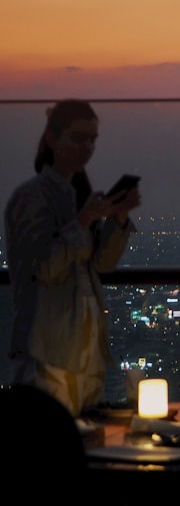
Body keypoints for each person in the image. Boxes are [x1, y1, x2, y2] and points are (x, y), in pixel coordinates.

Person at [4, 98, 141, 417]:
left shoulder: (76, 197)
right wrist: (84, 219)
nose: (87, 148)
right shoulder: (31, 198)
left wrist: (117, 217)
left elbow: (101, 265)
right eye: (78, 138)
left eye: (92, 140)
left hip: (81, 349)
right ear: (52, 138)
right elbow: (42, 267)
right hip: (48, 352)